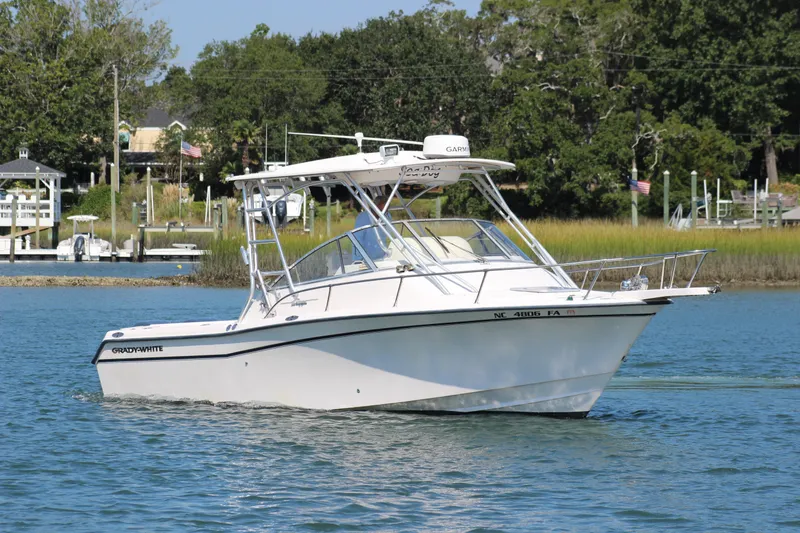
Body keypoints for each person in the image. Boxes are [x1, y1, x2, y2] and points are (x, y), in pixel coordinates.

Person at [353, 195, 391, 261]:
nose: (383, 213)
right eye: (381, 210)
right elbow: (357, 240)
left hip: (384, 258)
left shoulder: (387, 216)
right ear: (375, 206)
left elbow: (390, 235)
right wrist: (358, 260)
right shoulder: (362, 217)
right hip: (367, 261)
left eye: (386, 210)